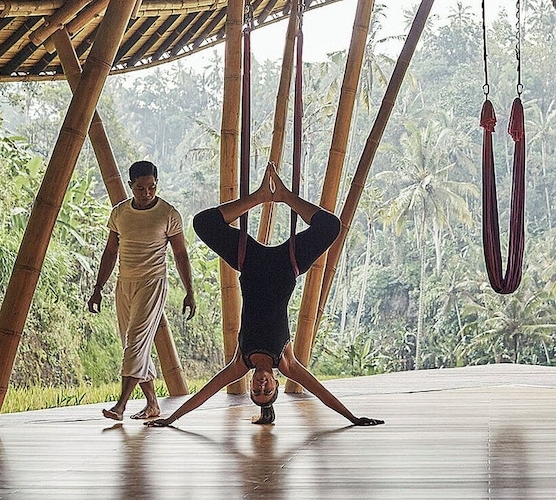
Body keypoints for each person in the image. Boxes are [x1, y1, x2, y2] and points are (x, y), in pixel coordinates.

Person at [146, 162, 382, 428]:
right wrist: (353, 418)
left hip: (250, 261)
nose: (261, 385)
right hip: (287, 264)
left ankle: (259, 197)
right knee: (330, 227)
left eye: (256, 390)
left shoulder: (240, 362)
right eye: (267, 390)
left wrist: (171, 419)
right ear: (276, 384)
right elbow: (321, 393)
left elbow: (205, 393)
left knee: (203, 223)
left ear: (248, 386)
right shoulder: (287, 362)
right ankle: (284, 197)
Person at [88, 160, 196, 421]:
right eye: (140, 188)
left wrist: (189, 291)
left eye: (151, 187)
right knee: (133, 345)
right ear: (130, 186)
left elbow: (180, 254)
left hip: (153, 284)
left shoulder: (168, 214)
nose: (146, 193)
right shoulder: (119, 213)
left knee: (135, 344)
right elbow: (110, 251)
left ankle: (120, 406)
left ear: (156, 184)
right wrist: (98, 287)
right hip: (124, 283)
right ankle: (152, 405)